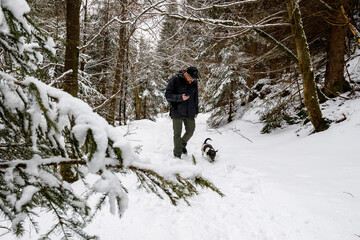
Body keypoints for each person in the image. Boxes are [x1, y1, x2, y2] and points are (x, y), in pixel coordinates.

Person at [165, 66, 199, 159]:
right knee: (177, 133)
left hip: (190, 111)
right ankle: (177, 154)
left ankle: (182, 145)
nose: (193, 80)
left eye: (194, 78)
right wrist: (180, 97)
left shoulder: (194, 82)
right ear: (186, 74)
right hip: (177, 110)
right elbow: (167, 95)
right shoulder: (175, 79)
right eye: (191, 77)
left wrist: (196, 110)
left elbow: (196, 97)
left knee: (191, 130)